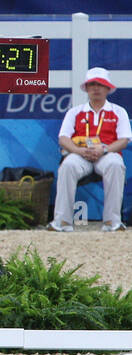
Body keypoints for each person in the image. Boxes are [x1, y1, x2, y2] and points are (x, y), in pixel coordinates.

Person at [50, 67, 130, 232]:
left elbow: (124, 140)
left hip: (107, 153)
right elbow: (63, 138)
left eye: (100, 84)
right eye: (92, 84)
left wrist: (104, 150)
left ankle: (112, 222)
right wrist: (78, 151)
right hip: (80, 154)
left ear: (108, 88)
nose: (96, 88)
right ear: (86, 88)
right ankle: (61, 222)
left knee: (116, 166)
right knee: (67, 166)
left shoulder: (118, 111)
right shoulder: (75, 111)